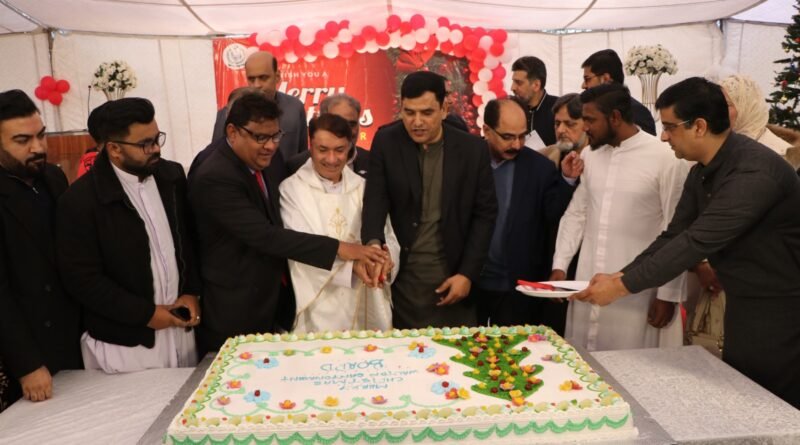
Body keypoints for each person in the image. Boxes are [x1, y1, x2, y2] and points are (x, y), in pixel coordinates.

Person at [573, 77, 800, 409]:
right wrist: (619, 275)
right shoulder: (702, 170)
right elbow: (673, 235)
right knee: (745, 396)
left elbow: (696, 242)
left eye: (669, 127)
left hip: (782, 308)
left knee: (773, 406)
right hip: (745, 301)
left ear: (700, 127)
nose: (663, 136)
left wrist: (621, 287)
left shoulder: (754, 172)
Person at [190, 92, 386, 351]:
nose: (270, 146)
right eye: (260, 137)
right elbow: (266, 236)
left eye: (275, 136)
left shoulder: (269, 162)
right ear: (232, 132)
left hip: (273, 300)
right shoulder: (215, 175)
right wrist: (345, 249)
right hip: (236, 303)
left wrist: (377, 257)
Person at [57, 98, 202, 373]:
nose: (156, 148)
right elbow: (82, 280)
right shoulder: (79, 201)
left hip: (181, 332)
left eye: (157, 138)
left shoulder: (171, 176)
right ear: (114, 149)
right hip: (125, 346)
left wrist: (191, 290)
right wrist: (146, 315)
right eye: (145, 143)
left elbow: (188, 240)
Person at [551, 83, 690, 351]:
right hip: (589, 280)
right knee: (584, 365)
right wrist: (560, 265)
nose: (585, 127)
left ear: (614, 117)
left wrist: (668, 294)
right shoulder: (590, 155)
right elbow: (577, 214)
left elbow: (676, 229)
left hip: (639, 293)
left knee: (634, 365)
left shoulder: (665, 157)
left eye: (590, 120)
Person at [362, 71, 497, 329]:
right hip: (403, 277)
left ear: (444, 109)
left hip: (454, 278)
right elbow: (375, 200)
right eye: (409, 112)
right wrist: (373, 245)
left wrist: (467, 274)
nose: (417, 122)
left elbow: (485, 215)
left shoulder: (472, 149)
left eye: (426, 113)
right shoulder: (387, 141)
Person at [280, 114, 399, 332]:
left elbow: (387, 235)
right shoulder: (292, 189)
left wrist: (384, 260)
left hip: (367, 292)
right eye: (323, 150)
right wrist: (352, 268)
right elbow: (301, 248)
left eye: (340, 150)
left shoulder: (363, 187)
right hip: (318, 304)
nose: (332, 159)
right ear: (310, 146)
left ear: (350, 148)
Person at [0, 89, 82, 403]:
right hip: (27, 348)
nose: (38, 147)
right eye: (22, 140)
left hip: (72, 334)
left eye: (41, 135)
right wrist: (28, 364)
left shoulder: (53, 177)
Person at [474, 97, 580, 331]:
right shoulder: (467, 160)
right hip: (471, 283)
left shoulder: (539, 167)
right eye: (508, 137)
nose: (517, 145)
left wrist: (567, 180)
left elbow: (552, 215)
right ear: (487, 130)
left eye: (522, 136)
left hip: (518, 285)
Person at [210, 51, 308, 158]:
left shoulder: (295, 108)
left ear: (277, 76)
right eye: (251, 79)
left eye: (263, 78)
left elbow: (302, 155)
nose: (256, 85)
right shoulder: (229, 113)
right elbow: (216, 155)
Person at [287, 93, 370, 177]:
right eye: (338, 124)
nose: (347, 131)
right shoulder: (296, 166)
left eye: (352, 124)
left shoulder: (373, 161)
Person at [581, 49, 656, 136]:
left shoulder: (636, 111)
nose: (583, 86)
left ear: (605, 79)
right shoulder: (593, 109)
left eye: (587, 79)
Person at [719, 74, 789, 156]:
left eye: (726, 105)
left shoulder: (780, 154)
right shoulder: (718, 144)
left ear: (746, 108)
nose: (717, 110)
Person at [510, 56, 557, 150]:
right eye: (513, 82)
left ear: (536, 85)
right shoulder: (512, 111)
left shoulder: (558, 109)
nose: (512, 88)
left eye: (518, 83)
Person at [539, 93, 589, 167]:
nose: (560, 130)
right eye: (557, 123)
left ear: (587, 125)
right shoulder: (543, 157)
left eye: (569, 124)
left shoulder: (603, 159)